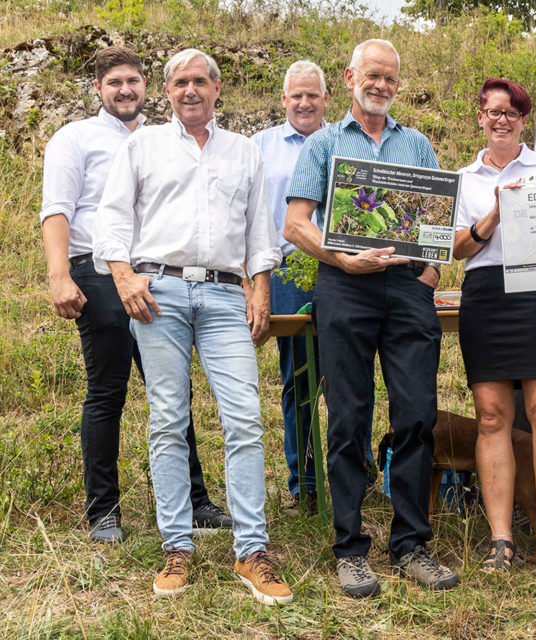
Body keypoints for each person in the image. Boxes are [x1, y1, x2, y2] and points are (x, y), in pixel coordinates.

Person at [93, 48, 291, 605]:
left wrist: (260, 287)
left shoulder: (243, 151)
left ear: (217, 88)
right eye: (180, 82)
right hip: (159, 293)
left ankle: (251, 551)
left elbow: (259, 230)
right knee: (168, 419)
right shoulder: (143, 146)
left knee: (244, 418)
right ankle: (177, 547)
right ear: (167, 90)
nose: (190, 90)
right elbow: (112, 218)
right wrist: (124, 276)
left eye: (200, 81)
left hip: (226, 295)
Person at [284, 38, 458, 598]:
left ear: (397, 85)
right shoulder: (323, 144)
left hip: (407, 291)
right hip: (345, 287)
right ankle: (351, 549)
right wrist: (341, 259)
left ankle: (410, 545)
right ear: (350, 76)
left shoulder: (418, 145)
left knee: (416, 414)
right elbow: (295, 224)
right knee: (348, 417)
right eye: (372, 75)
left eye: (389, 78)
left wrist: (429, 276)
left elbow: (437, 225)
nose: (380, 85)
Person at [39, 45, 230, 545]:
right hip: (99, 273)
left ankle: (195, 502)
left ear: (148, 86)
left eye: (133, 81)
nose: (125, 90)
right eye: (114, 83)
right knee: (108, 391)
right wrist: (60, 276)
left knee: (173, 391)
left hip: (157, 275)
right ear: (98, 89)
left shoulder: (164, 139)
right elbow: (56, 209)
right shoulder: (75, 138)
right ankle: (104, 511)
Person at [452, 78, 536, 579]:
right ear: (480, 117)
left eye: (513, 113)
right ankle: (500, 538)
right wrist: (497, 214)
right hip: (485, 295)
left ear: (525, 121)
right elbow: (455, 248)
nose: (502, 120)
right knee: (490, 417)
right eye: (493, 111)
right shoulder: (463, 178)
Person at [252, 60, 376, 515]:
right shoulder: (260, 147)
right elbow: (250, 217)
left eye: (312, 95)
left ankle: (359, 473)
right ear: (284, 99)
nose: (304, 103)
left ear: (327, 98)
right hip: (288, 270)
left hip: (351, 272)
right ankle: (303, 483)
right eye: (296, 95)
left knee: (354, 375)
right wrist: (255, 280)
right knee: (299, 378)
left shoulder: (349, 140)